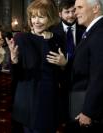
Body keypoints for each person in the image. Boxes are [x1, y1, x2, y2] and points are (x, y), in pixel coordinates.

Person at [6, 0, 68, 133]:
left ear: (50, 18)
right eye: (33, 17)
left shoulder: (58, 39)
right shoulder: (21, 38)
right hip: (27, 99)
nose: (36, 21)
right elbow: (16, 76)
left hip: (49, 99)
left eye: (41, 16)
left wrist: (64, 65)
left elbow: (60, 75)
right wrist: (14, 60)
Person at [67, 0, 103, 132]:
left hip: (90, 111)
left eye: (79, 8)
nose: (75, 12)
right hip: (81, 100)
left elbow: (99, 76)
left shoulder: (100, 32)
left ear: (95, 8)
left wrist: (88, 111)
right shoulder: (92, 30)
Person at [51, 0, 86, 128]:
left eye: (73, 11)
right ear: (60, 14)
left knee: (79, 121)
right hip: (60, 83)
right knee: (62, 119)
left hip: (82, 83)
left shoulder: (85, 29)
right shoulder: (52, 32)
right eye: (67, 12)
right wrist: (62, 65)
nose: (71, 15)